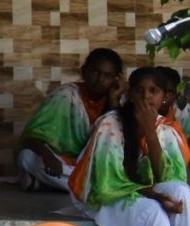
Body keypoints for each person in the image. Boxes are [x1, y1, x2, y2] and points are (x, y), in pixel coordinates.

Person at [71, 64, 190, 226]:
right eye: (140, 90)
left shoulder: (166, 128)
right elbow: (107, 184)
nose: (146, 96)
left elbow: (169, 178)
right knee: (152, 211)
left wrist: (150, 132)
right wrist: (157, 197)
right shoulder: (110, 124)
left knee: (181, 191)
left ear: (164, 97)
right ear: (130, 94)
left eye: (153, 91)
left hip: (143, 193)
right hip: (106, 198)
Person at [17, 48, 122, 193]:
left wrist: (113, 101)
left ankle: (46, 184)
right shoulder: (65, 95)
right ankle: (92, 189)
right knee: (27, 157)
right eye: (95, 72)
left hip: (99, 166)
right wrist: (48, 157)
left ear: (117, 79)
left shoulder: (120, 100)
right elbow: (30, 139)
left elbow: (120, 145)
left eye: (108, 76)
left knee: (111, 173)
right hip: (66, 163)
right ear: (84, 71)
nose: (100, 79)